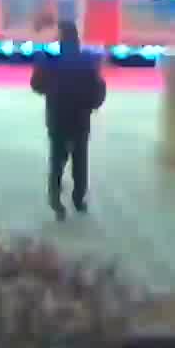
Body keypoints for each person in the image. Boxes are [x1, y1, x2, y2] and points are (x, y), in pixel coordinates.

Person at [28, 18, 109, 217]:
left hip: (57, 118)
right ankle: (78, 199)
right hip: (80, 119)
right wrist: (91, 105)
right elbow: (99, 90)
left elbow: (36, 86)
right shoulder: (88, 61)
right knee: (80, 161)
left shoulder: (50, 61)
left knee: (57, 160)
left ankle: (55, 198)